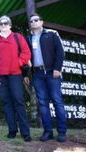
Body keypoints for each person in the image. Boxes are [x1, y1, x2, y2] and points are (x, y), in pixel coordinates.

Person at [24, 13, 67, 142]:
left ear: (42, 22)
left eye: (36, 20)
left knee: (57, 101)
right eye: (31, 21)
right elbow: (26, 58)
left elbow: (60, 52)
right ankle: (48, 132)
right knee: (42, 103)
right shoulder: (28, 39)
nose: (33, 22)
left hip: (51, 73)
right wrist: (26, 74)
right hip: (37, 74)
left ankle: (62, 132)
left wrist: (57, 69)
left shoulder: (51, 34)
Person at [0, 15, 32, 141]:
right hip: (1, 76)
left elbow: (26, 53)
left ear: (10, 25)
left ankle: (25, 132)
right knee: (6, 102)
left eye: (5, 23)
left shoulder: (18, 37)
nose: (3, 25)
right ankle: (12, 130)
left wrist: (17, 63)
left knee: (18, 101)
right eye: (1, 24)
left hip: (15, 74)